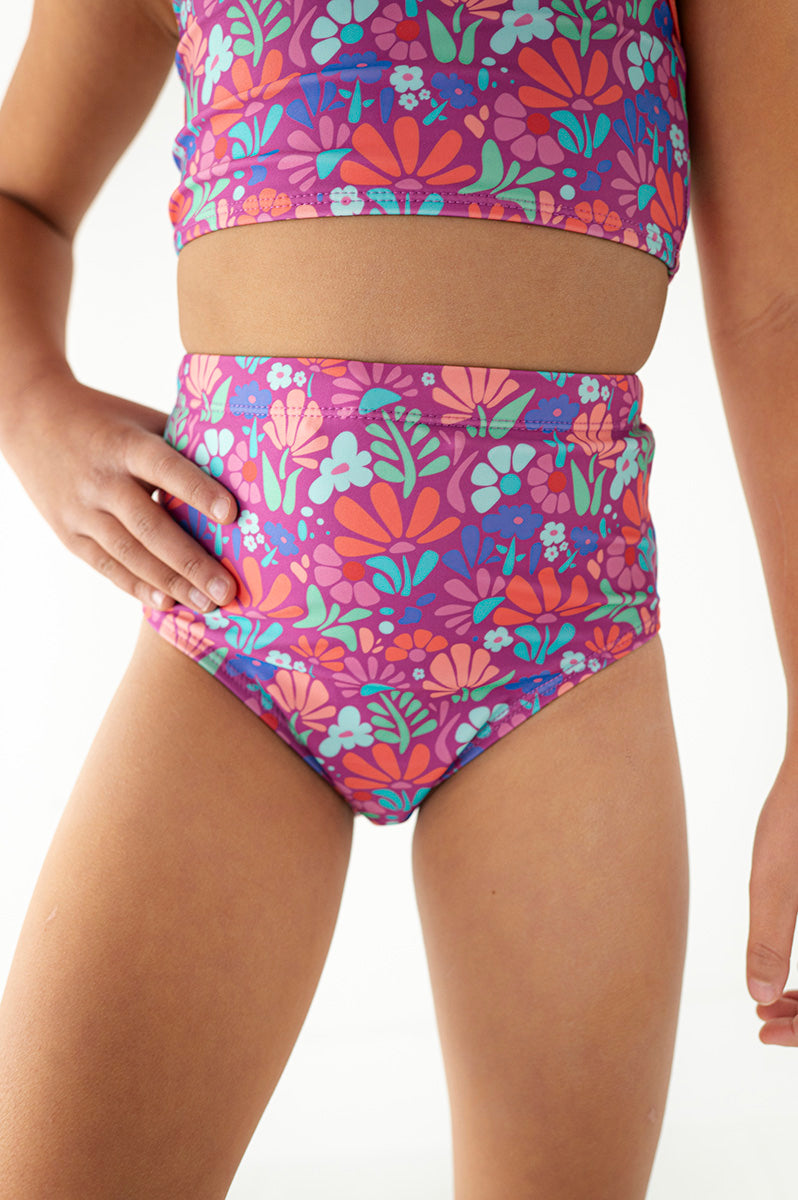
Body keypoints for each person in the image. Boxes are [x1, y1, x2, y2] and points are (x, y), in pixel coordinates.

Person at [0, 0, 795, 1195]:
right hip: (234, 643)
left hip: (561, 658)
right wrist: (27, 404)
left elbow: (779, 306)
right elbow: (20, 199)